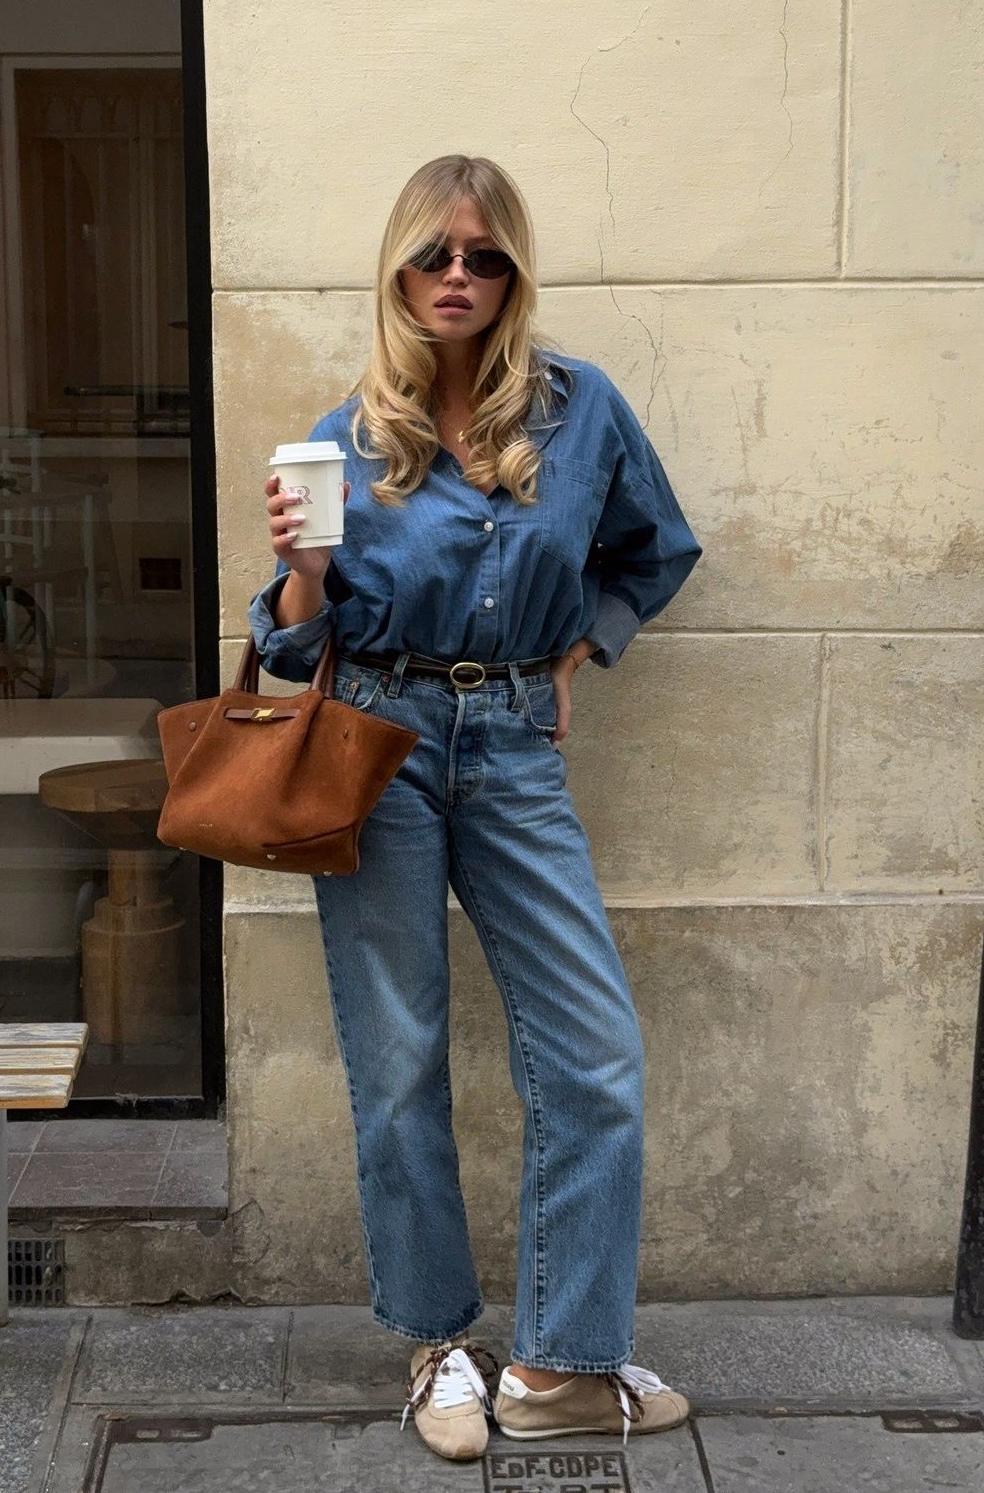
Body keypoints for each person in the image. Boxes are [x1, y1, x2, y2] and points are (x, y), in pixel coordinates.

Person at [248, 154, 703, 1462]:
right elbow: (287, 650)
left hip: (509, 746)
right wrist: (301, 573)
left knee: (595, 1055)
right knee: (399, 1065)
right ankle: (440, 1344)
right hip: (375, 745)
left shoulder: (581, 411)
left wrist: (578, 653)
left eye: (485, 256)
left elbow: (651, 551)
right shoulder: (345, 435)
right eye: (436, 256)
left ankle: (560, 1362)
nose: (459, 276)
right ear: (398, 270)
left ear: (513, 273)